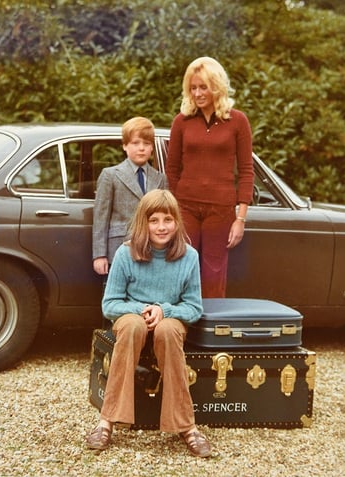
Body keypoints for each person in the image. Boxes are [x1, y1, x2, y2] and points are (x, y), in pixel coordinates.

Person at [85, 189, 212, 458]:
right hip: (133, 317)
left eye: (167, 220)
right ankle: (106, 421)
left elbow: (193, 307)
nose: (161, 227)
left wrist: (163, 311)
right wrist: (143, 310)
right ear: (144, 222)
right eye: (154, 220)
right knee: (131, 326)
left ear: (176, 222)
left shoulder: (188, 257)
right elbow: (110, 304)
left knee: (167, 331)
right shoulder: (125, 253)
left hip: (170, 319)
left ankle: (186, 426)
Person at [166, 56, 254, 298]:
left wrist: (241, 219)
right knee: (182, 267)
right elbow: (171, 169)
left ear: (216, 86)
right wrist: (175, 209)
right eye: (193, 88)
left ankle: (210, 332)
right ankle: (180, 330)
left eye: (203, 87)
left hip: (221, 209)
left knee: (214, 271)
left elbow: (246, 170)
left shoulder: (237, 121)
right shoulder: (181, 122)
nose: (197, 93)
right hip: (186, 208)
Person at [92, 116, 168, 276]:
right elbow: (100, 218)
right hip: (119, 248)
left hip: (152, 250)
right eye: (135, 143)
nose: (141, 148)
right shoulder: (110, 175)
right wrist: (99, 255)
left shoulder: (160, 178)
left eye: (146, 144)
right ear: (125, 146)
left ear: (152, 148)